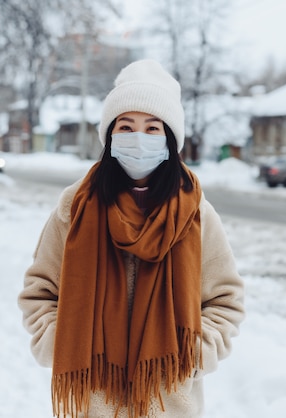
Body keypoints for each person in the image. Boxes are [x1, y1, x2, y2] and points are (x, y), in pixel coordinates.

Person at [18, 59, 245, 418]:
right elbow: (40, 292)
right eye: (126, 126)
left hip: (169, 404)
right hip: (93, 403)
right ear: (110, 137)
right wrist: (62, 343)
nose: (138, 138)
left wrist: (193, 356)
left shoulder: (197, 214)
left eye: (152, 128)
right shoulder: (74, 208)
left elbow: (225, 301)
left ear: (170, 139)